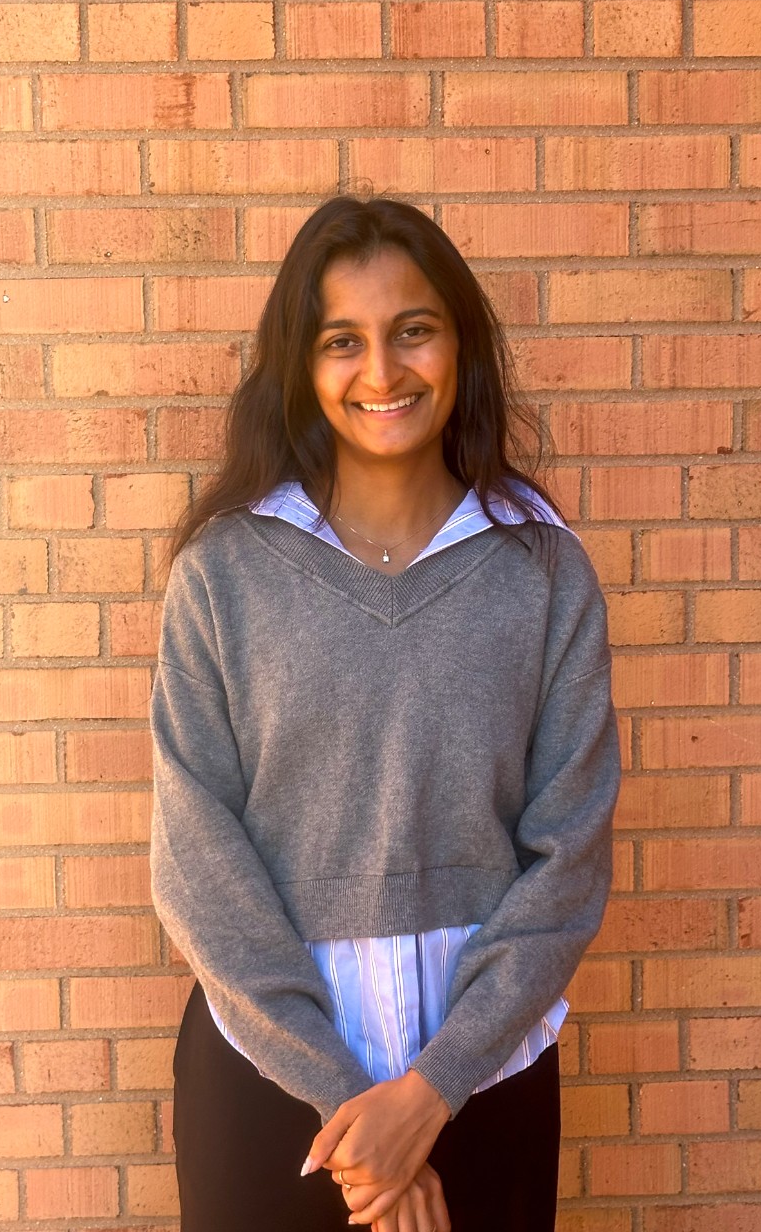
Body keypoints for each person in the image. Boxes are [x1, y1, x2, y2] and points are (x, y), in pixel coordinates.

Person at [150, 195, 621, 1232]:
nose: (382, 371)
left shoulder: (541, 572)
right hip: (265, 1083)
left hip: (484, 1079)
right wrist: (358, 1116)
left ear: (459, 342)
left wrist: (432, 1090)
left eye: (412, 328)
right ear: (300, 365)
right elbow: (195, 860)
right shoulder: (223, 574)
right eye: (341, 341)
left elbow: (569, 851)